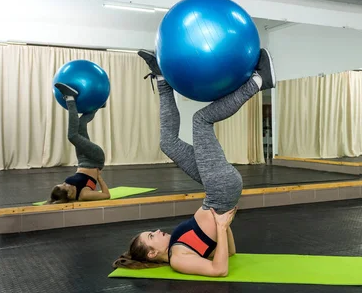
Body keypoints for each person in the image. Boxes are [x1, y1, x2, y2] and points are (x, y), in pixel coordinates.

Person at [112, 48, 275, 277]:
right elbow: (220, 270)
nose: (157, 231)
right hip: (220, 190)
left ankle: (162, 80)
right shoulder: (178, 258)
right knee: (201, 120)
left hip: (215, 191)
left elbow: (230, 253)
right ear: (151, 253)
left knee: (167, 143)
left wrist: (224, 227)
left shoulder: (178, 245)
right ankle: (258, 82)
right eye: (151, 236)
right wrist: (219, 225)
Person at [47, 83, 111, 204]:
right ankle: (70, 98)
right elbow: (106, 195)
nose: (65, 183)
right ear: (70, 193)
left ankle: (98, 105)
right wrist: (99, 177)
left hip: (82, 159)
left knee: (81, 124)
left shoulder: (66, 190)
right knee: (72, 136)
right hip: (95, 160)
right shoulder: (83, 194)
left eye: (62, 183)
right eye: (65, 185)